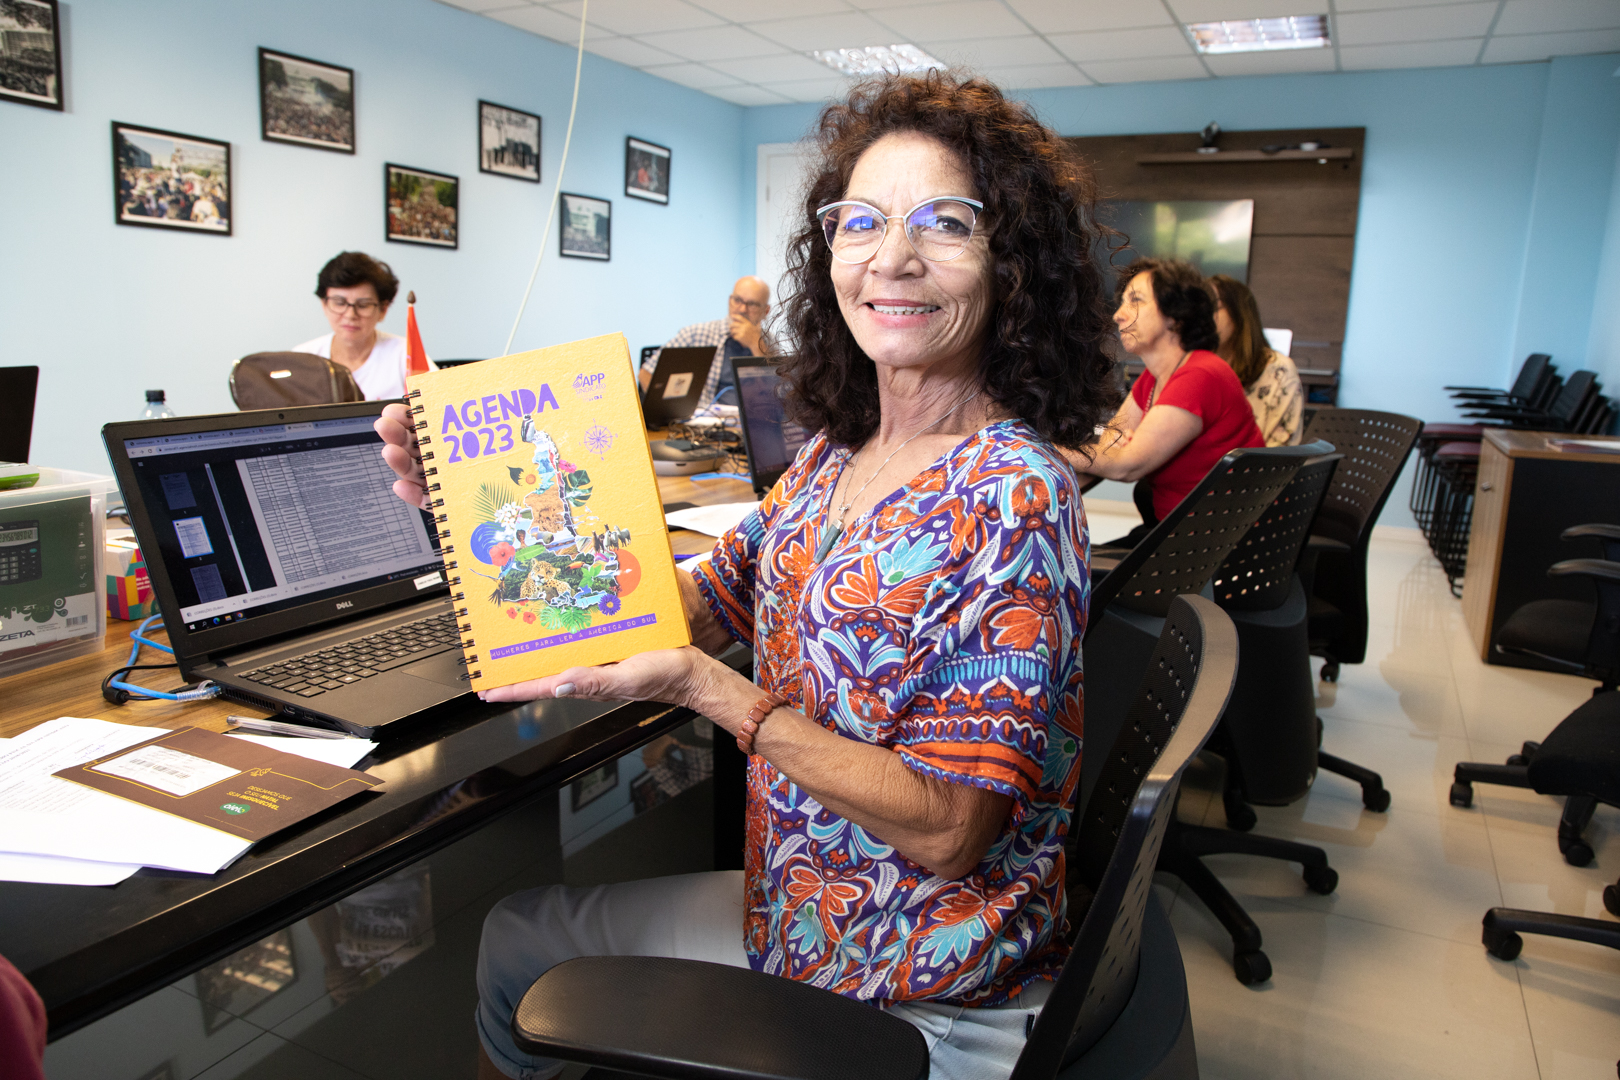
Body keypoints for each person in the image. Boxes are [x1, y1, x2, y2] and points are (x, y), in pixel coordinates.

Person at [376, 70, 1119, 1080]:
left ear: (1013, 265)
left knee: (519, 941)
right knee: (520, 935)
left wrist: (711, 692)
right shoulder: (836, 456)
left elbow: (951, 831)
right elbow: (690, 604)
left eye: (945, 223)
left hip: (919, 987)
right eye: (861, 222)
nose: (892, 257)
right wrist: (482, 513)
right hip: (805, 914)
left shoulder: (1014, 496)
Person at [1069, 257, 1265, 549]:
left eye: (1136, 300)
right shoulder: (1155, 377)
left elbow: (1125, 466)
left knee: (1072, 567)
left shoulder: (1200, 374)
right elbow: (1112, 441)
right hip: (1183, 534)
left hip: (1216, 546)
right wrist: (1119, 451)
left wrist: (1048, 450)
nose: (1118, 315)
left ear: (1176, 316)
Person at [290, 252, 429, 400]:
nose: (350, 315)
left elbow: (439, 403)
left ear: (383, 310)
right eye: (339, 303)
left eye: (363, 305)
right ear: (324, 305)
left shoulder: (406, 354)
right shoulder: (301, 358)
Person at [638, 276, 775, 409]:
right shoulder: (696, 334)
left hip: (753, 419)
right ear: (729, 301)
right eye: (737, 300)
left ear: (766, 311)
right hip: (706, 420)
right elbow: (645, 373)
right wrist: (672, 411)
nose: (742, 309)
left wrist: (756, 345)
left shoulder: (769, 342)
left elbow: (776, 392)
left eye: (752, 304)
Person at [1208, 274, 1304, 448]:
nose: (1204, 317)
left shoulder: (1279, 369)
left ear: (1239, 313)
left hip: (1253, 464)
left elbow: (1281, 451)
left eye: (1214, 307)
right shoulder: (1193, 366)